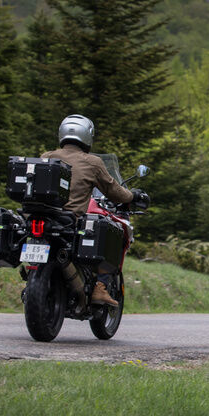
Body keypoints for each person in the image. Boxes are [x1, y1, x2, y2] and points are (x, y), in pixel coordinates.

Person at [41, 114, 147, 307]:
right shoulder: (93, 162)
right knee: (107, 235)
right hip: (68, 219)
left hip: (41, 215)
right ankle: (100, 286)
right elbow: (114, 191)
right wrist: (132, 196)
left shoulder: (47, 156)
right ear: (87, 136)